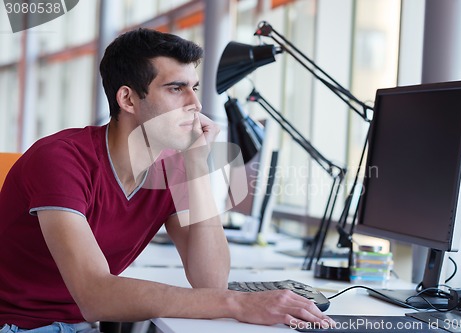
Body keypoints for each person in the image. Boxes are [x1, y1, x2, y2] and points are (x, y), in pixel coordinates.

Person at [0, 28, 333, 332]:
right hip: (19, 326)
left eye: (194, 88)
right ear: (128, 99)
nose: (196, 104)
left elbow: (211, 281)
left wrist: (197, 167)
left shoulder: (172, 167)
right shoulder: (60, 159)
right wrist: (240, 303)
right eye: (176, 89)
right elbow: (95, 293)